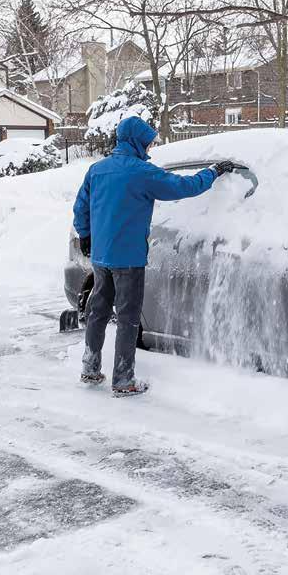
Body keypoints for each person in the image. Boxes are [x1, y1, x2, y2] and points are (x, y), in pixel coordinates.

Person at [72, 116, 233, 397]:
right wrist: (213, 172)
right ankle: (123, 380)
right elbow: (185, 187)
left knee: (98, 312)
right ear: (135, 141)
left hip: (101, 256)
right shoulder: (142, 173)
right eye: (147, 142)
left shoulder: (97, 170)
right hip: (129, 258)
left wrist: (86, 235)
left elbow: (80, 207)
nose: (149, 148)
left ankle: (90, 367)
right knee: (128, 318)